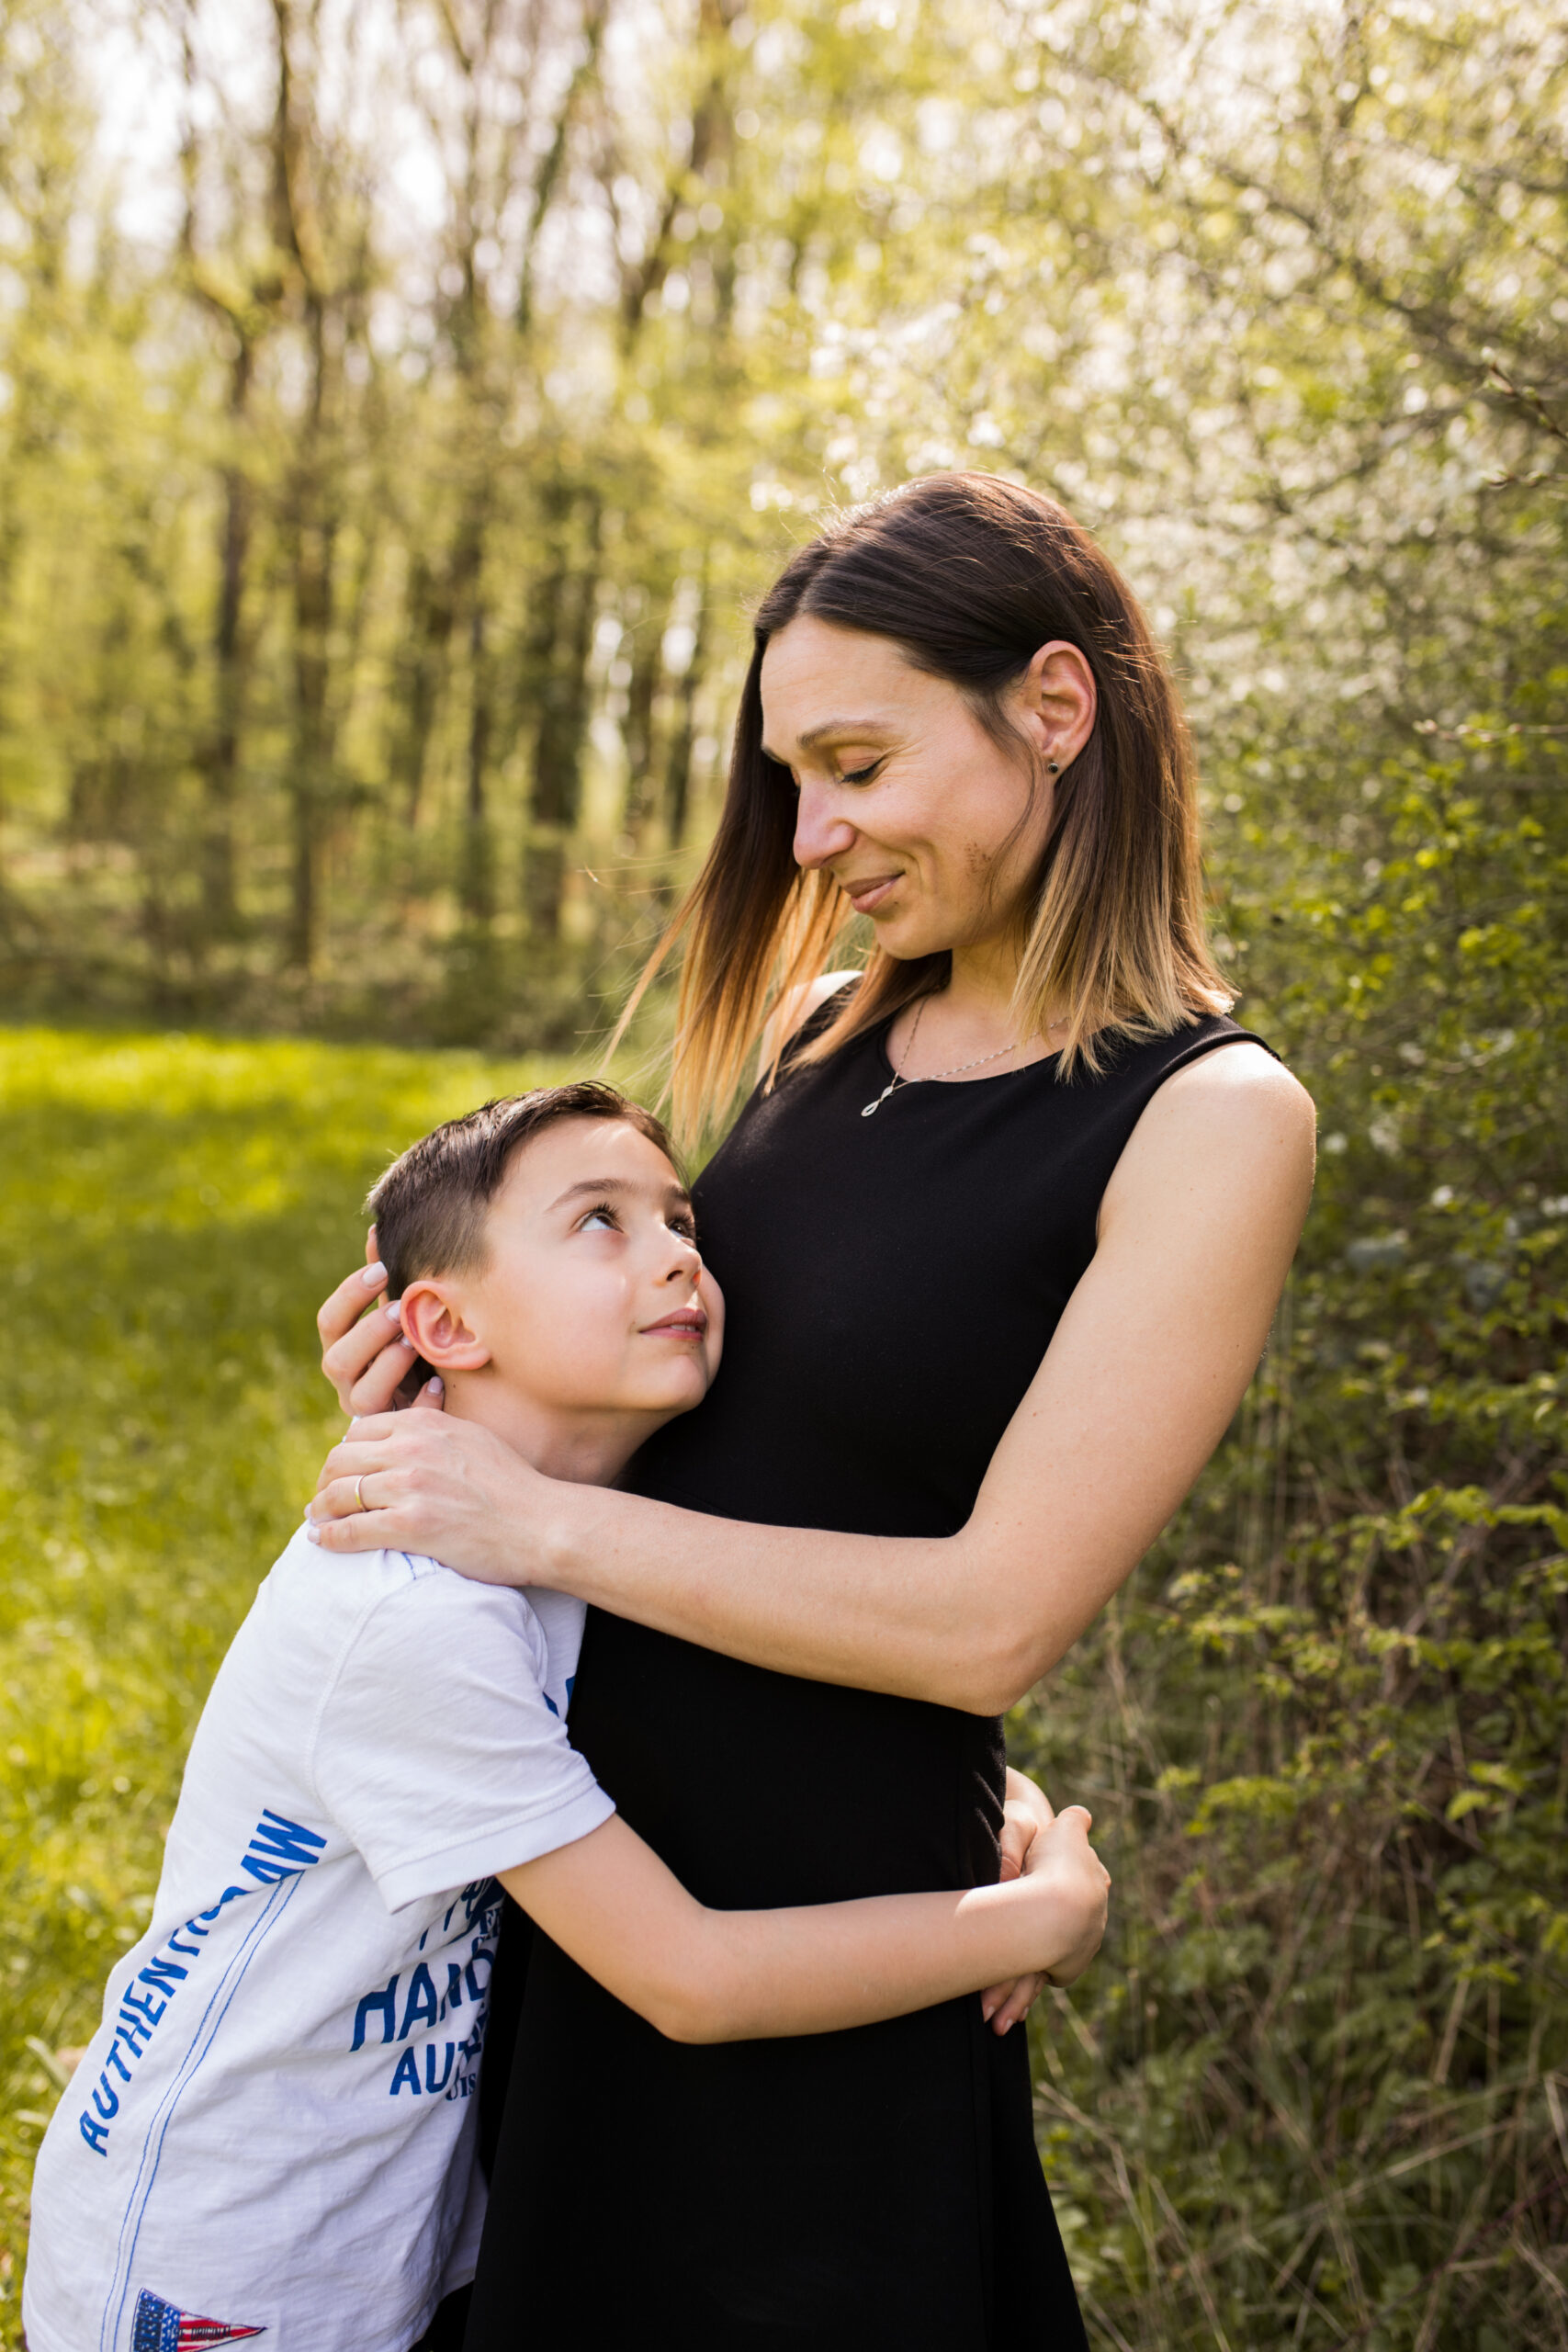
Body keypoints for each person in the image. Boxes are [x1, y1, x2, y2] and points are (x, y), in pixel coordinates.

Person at [308, 473, 1317, 2348]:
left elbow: (990, 1612)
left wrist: (521, 1517)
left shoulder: (1210, 1115)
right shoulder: (817, 1026)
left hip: (823, 1950)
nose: (811, 829)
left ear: (1051, 708)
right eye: (789, 776)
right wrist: (455, 1395)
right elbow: (719, 1425)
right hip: (575, 1873)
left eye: (854, 761)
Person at [23, 1082, 1110, 2352]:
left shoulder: (581, 1542)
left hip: (384, 2229)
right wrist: (1040, 1919)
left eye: (683, 1220)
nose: (677, 1257)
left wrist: (994, 1800)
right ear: (443, 1321)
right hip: (224, 2254)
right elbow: (692, 1977)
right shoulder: (413, 1622)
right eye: (600, 1221)